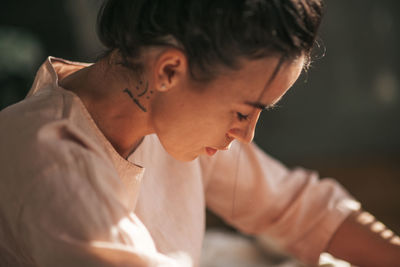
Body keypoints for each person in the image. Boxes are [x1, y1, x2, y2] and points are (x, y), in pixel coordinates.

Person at [0, 0, 398, 266]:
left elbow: (294, 206)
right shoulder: (49, 162)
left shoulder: (165, 113)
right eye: (243, 112)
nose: (245, 135)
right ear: (169, 70)